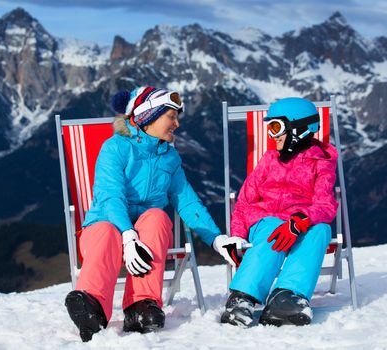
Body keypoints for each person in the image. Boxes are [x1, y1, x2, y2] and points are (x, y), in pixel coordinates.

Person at [64, 86, 241, 342]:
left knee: (158, 218)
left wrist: (216, 238)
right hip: (107, 227)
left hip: (146, 234)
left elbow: (187, 201)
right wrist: (127, 235)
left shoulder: (170, 157)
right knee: (105, 231)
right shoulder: (115, 148)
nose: (177, 124)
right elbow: (111, 196)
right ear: (150, 116)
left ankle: (141, 305)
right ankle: (92, 306)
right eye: (172, 116)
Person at [220, 97, 338, 327]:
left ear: (299, 129)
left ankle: (285, 296)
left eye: (276, 127)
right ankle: (242, 297)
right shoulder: (269, 160)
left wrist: (301, 221)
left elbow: (325, 204)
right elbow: (244, 202)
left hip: (299, 224)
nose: (272, 135)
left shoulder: (320, 161)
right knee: (274, 226)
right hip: (266, 221)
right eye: (269, 128)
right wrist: (237, 235)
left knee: (321, 229)